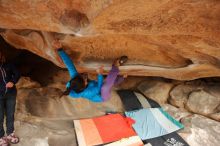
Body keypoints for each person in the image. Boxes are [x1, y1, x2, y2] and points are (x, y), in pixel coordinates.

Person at [53, 40, 128, 102]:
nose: (85, 79)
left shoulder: (74, 80)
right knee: (105, 86)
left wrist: (60, 49)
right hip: (101, 96)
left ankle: (121, 78)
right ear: (83, 87)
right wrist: (99, 74)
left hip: (92, 86)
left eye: (83, 78)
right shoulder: (88, 92)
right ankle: (115, 66)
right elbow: (99, 86)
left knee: (109, 81)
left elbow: (69, 65)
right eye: (85, 81)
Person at [0, 52, 20, 146]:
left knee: (10, 114)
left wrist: (13, 81)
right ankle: (1, 137)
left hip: (11, 94)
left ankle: (10, 134)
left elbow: (17, 73)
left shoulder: (9, 65)